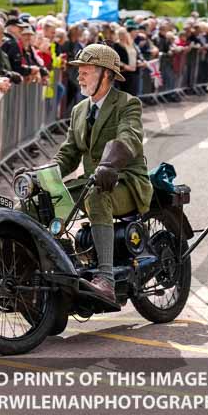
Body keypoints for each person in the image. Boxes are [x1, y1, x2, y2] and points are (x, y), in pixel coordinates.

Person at [52, 44, 153, 306]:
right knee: (39, 202)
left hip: (125, 182)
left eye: (86, 71)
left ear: (106, 74)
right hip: (92, 181)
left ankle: (106, 280)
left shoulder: (127, 104)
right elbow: (69, 153)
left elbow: (129, 137)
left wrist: (109, 163)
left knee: (97, 197)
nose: (80, 77)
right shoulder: (79, 110)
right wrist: (44, 175)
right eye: (80, 72)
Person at [112, 27, 141, 96]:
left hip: (134, 72)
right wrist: (124, 66)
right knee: (125, 93)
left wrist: (138, 62)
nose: (123, 35)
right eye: (121, 34)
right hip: (124, 72)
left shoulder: (130, 44)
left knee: (133, 93)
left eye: (124, 33)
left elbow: (136, 56)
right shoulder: (116, 45)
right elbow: (114, 59)